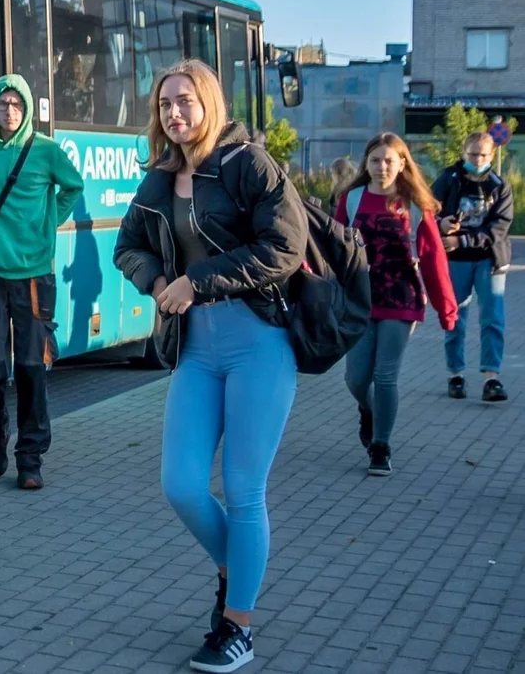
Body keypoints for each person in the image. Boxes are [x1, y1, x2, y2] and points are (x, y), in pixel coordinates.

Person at [114, 59, 308, 673]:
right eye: (165, 102)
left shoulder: (246, 162)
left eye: (185, 101)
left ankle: (238, 625)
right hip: (197, 352)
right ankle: (236, 571)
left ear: (210, 104)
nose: (174, 112)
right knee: (181, 485)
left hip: (259, 345)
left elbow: (285, 247)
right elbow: (127, 248)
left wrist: (196, 280)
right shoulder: (159, 180)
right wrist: (160, 280)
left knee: (244, 490)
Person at [0, 74, 83, 490]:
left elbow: (73, 188)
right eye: (2, 103)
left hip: (34, 276)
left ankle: (30, 458)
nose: (9, 110)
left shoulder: (45, 151)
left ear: (26, 110)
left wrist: (47, 224)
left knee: (31, 370)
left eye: (17, 104)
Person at [335, 132, 458, 476]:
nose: (382, 167)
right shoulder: (353, 198)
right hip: (359, 299)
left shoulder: (415, 204)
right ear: (366, 163)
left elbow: (434, 259)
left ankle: (381, 446)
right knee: (357, 379)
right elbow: (334, 250)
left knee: (386, 376)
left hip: (401, 298)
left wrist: (447, 310)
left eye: (389, 160)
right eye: (375, 160)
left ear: (403, 164)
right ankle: (369, 411)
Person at [433, 132, 513, 402]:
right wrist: (442, 223)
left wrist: (463, 239)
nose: (477, 159)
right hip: (456, 261)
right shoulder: (449, 178)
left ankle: (492, 378)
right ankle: (455, 374)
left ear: (492, 156)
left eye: (483, 155)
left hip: (489, 259)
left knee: (492, 318)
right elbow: (429, 209)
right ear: (464, 153)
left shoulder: (499, 185)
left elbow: (499, 229)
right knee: (455, 317)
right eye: (473, 154)